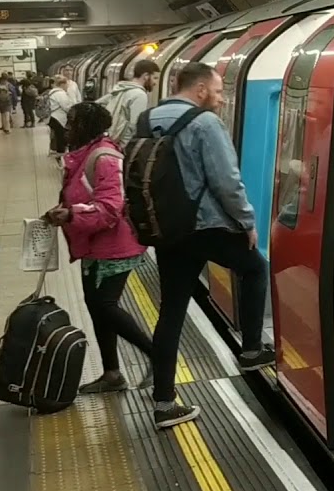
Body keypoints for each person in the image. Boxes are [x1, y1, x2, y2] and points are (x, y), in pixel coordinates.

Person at [145, 62, 275, 429]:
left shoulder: (147, 119)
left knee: (170, 313)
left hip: (167, 230)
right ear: (200, 89)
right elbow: (226, 181)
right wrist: (247, 222)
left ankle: (164, 403)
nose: (219, 101)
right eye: (218, 93)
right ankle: (251, 350)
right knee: (255, 267)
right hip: (205, 226)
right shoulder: (204, 123)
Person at [43, 102, 154, 395]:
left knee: (104, 305)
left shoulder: (104, 158)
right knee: (96, 307)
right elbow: (85, 197)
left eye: (72, 124)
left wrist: (71, 215)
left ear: (87, 127)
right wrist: (65, 210)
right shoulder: (83, 156)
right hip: (94, 245)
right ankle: (112, 373)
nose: (66, 129)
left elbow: (110, 207)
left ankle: (158, 355)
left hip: (116, 246)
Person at [100, 60, 159, 149]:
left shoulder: (121, 89)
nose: (155, 83)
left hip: (108, 141)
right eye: (155, 78)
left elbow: (98, 103)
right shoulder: (140, 95)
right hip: (119, 146)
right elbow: (134, 126)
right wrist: (124, 148)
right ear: (146, 76)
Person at [45, 76, 73, 158]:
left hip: (51, 116)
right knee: (61, 135)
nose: (67, 86)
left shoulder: (52, 92)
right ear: (62, 84)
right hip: (58, 117)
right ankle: (60, 152)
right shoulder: (60, 94)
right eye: (66, 84)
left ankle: (55, 150)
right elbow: (66, 106)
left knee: (56, 135)